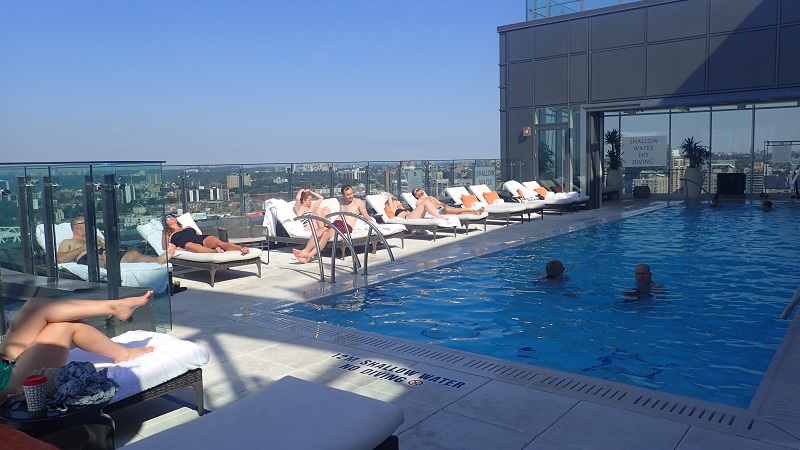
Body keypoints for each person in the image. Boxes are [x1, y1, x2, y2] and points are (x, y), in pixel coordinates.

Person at [0, 291, 156, 398]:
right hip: (5, 385)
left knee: (34, 306)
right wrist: (18, 393)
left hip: (2, 364)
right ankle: (123, 352)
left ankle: (115, 307)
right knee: (66, 326)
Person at [293, 185, 371, 264]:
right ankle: (305, 251)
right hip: (335, 223)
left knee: (326, 234)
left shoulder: (358, 202)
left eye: (351, 193)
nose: (350, 196)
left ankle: (309, 256)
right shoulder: (341, 201)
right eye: (348, 195)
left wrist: (375, 224)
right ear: (343, 195)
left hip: (346, 226)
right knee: (318, 232)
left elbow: (366, 216)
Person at [58, 216, 174, 268]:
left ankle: (158, 260)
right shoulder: (68, 242)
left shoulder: (95, 237)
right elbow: (60, 259)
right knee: (100, 259)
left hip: (108, 253)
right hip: (89, 256)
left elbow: (109, 245)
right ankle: (107, 265)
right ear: (77, 226)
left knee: (133, 254)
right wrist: (84, 248)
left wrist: (104, 245)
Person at [164, 214, 249, 254]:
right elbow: (165, 246)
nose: (171, 218)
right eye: (168, 217)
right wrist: (177, 248)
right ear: (165, 223)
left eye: (172, 216)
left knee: (220, 243)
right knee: (189, 245)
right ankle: (214, 251)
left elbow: (198, 234)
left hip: (201, 239)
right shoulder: (168, 234)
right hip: (188, 244)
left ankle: (241, 248)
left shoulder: (188, 227)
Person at [411, 188, 485, 215]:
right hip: (437, 211)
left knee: (459, 212)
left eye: (419, 188)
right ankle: (470, 208)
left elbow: (439, 203)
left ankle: (475, 212)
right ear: (416, 196)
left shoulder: (430, 197)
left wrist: (444, 204)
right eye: (417, 190)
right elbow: (421, 210)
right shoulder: (419, 201)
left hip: (443, 208)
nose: (419, 190)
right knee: (448, 210)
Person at [384, 193, 452, 220]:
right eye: (395, 200)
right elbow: (390, 199)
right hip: (408, 218)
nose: (397, 201)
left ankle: (438, 215)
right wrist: (391, 196)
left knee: (427, 201)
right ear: (392, 203)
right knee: (425, 202)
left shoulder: (401, 208)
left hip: (414, 216)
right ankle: (439, 216)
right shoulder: (393, 209)